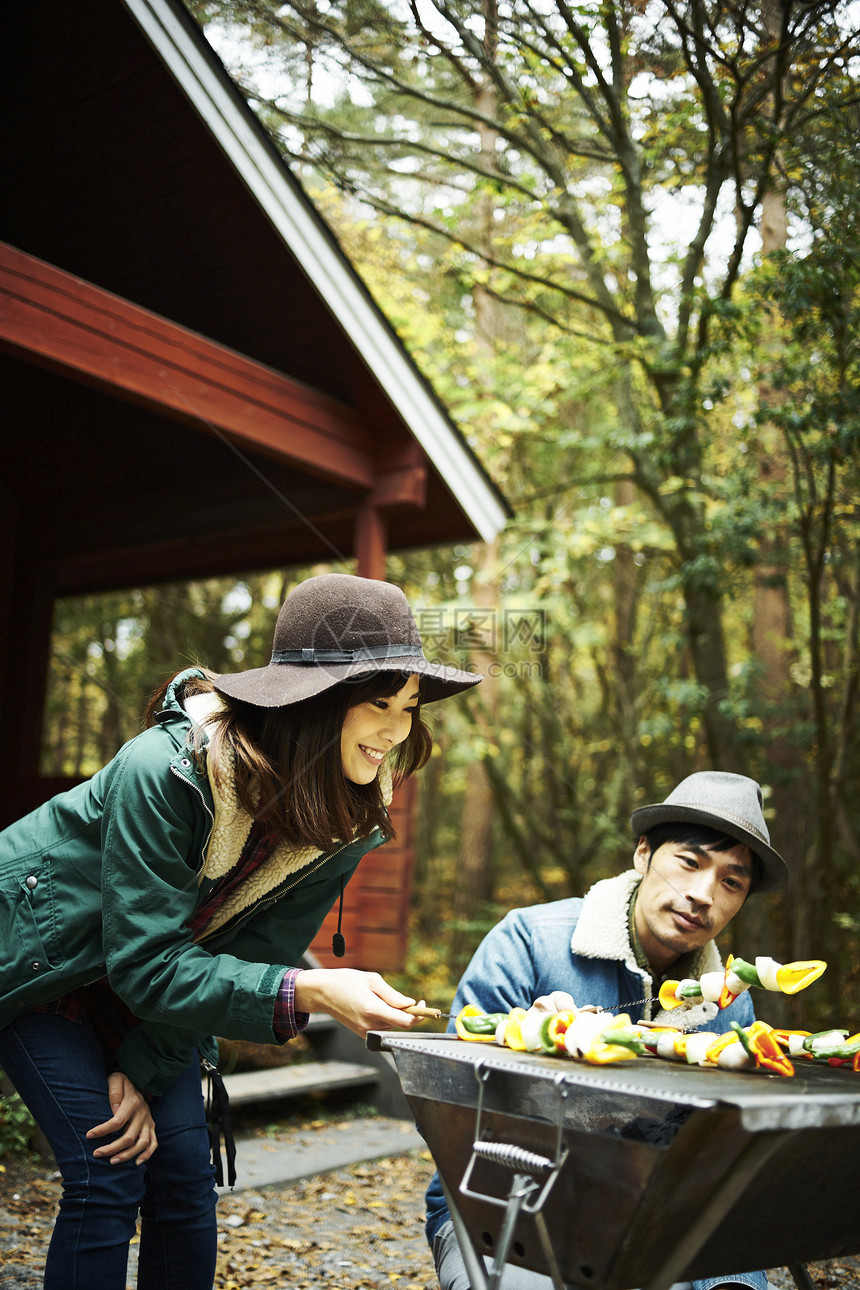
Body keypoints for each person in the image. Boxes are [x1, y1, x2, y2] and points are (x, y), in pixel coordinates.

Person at [0, 572, 480, 1290]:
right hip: (44, 960)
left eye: (409, 708)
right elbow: (146, 962)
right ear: (314, 701)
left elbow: (251, 953)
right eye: (378, 703)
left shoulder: (346, 814)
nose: (396, 730)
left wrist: (140, 1066)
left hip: (151, 973)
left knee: (186, 1181)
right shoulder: (166, 771)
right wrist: (312, 992)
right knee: (107, 1174)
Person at [426, 771, 788, 1290]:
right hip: (504, 1206)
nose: (703, 894)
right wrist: (541, 1055)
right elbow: (444, 1108)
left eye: (731, 882)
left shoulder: (731, 1007)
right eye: (689, 862)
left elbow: (720, 1160)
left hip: (664, 1219)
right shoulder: (528, 940)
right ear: (643, 854)